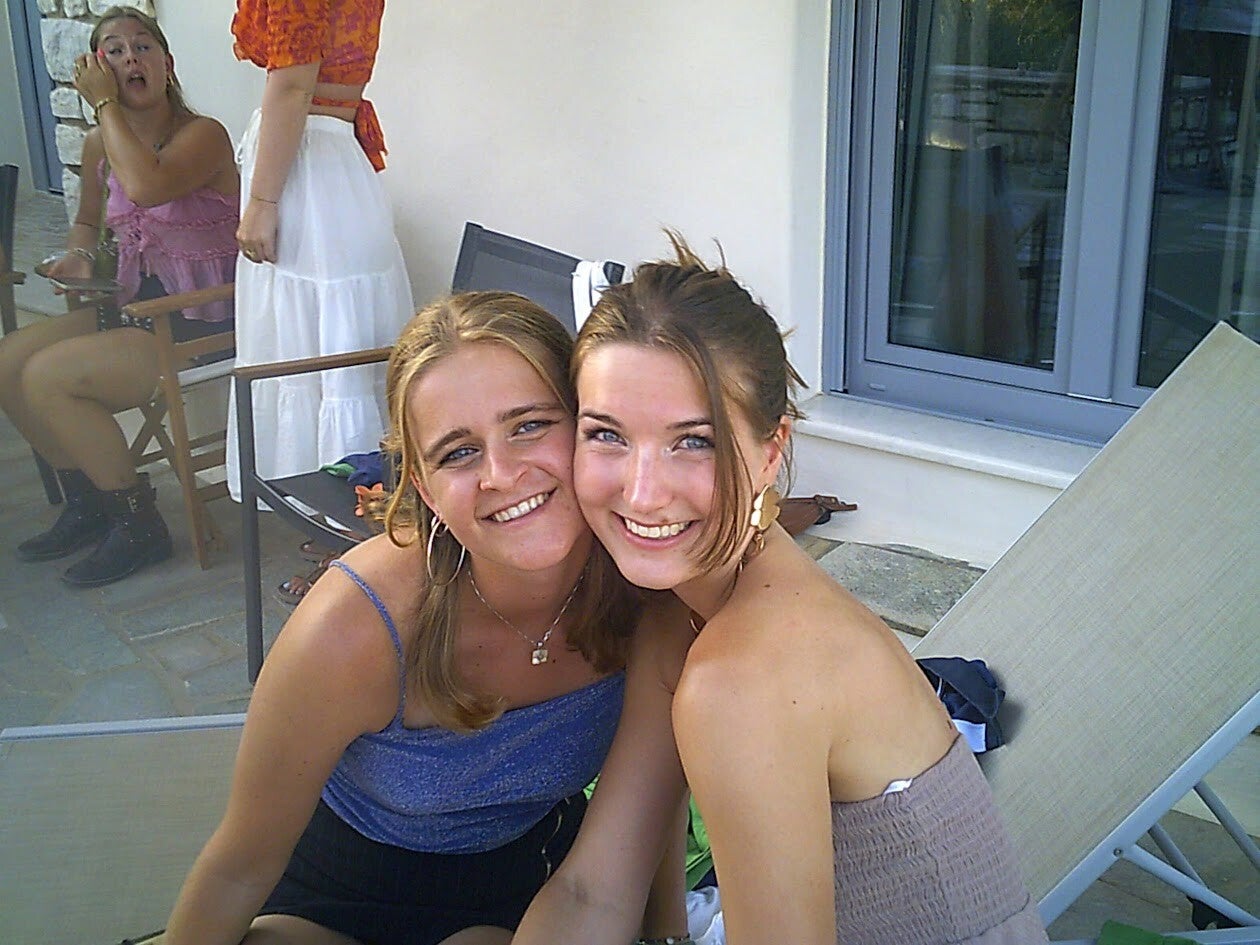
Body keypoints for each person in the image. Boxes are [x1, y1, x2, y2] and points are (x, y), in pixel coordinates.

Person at [162, 291, 693, 945]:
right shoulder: (354, 628)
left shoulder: (645, 592)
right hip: (335, 896)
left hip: (530, 886)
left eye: (530, 425)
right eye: (458, 452)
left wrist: (669, 933)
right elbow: (238, 865)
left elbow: (656, 794)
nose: (502, 474)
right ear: (424, 488)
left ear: (589, 427)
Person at [562, 234, 1050, 945]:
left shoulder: (748, 675)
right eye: (607, 435)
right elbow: (592, 889)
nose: (642, 492)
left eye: (694, 441)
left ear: (770, 452)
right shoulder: (684, 616)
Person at [0, 6, 237, 586]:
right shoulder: (96, 146)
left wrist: (104, 105)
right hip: (130, 310)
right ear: (96, 63)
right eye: (114, 49)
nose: (131, 58)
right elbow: (88, 222)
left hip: (198, 320)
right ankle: (89, 503)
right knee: (7, 364)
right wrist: (80, 255)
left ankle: (138, 526)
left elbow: (148, 185)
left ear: (167, 64)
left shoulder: (202, 135)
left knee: (50, 378)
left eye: (143, 47)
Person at [225, 0, 414, 503]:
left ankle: (338, 516)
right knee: (333, 351)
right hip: (330, 166)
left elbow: (293, 85)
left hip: (308, 180)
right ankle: (350, 513)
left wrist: (262, 201)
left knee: (317, 354)